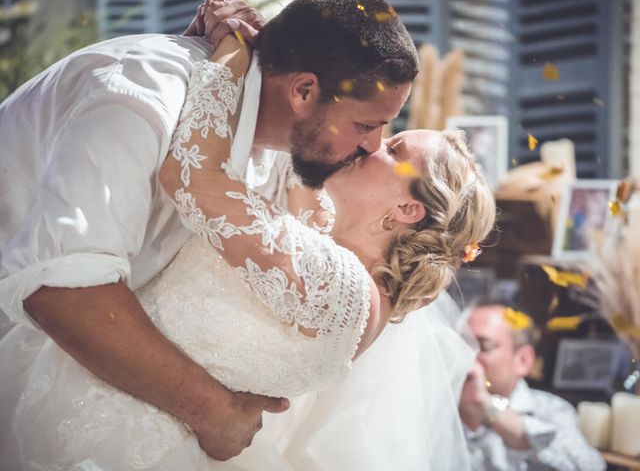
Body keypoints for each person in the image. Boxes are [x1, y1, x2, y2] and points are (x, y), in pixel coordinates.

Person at [0, 31, 495, 469]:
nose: (372, 146)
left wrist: (234, 53)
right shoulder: (326, 247)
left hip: (113, 430)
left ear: (408, 211)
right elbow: (301, 164)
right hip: (106, 390)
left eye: (394, 149)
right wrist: (276, 57)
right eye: (375, 130)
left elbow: (194, 175)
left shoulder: (338, 287)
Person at [459, 302, 606, 470]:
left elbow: (588, 467)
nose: (467, 356)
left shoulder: (551, 410)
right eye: (463, 344)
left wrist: (487, 407)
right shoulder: (440, 406)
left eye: (483, 346)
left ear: (523, 360)